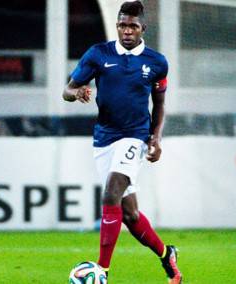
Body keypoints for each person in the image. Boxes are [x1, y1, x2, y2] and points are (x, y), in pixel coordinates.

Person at [63, 1, 182, 283]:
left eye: (132, 26)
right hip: (104, 139)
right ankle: (167, 255)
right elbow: (67, 90)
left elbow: (160, 104)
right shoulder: (98, 54)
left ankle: (102, 269)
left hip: (135, 136)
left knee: (110, 192)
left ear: (143, 28)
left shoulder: (156, 62)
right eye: (122, 25)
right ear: (117, 25)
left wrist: (156, 138)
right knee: (129, 214)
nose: (126, 31)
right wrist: (77, 91)